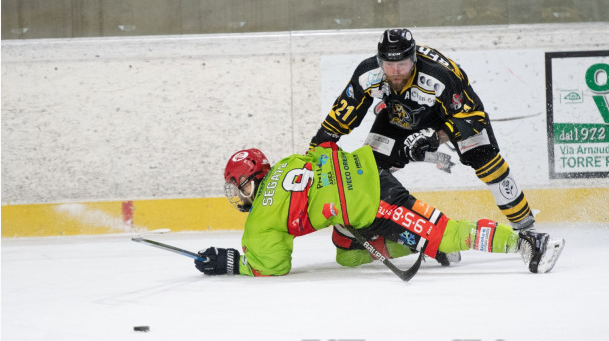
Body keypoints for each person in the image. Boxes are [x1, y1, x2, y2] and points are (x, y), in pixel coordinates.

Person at [194, 143, 564, 277]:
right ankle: (425, 244)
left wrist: (231, 262)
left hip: (377, 202)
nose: (238, 195)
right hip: (369, 173)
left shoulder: (260, 220)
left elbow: (272, 266)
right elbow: (326, 153)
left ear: (254, 180)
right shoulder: (288, 161)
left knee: (441, 231)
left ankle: (529, 244)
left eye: (239, 186)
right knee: (347, 254)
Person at [309, 28, 536, 238]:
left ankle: (525, 225)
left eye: (403, 65)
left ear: (414, 59)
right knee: (370, 169)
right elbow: (342, 114)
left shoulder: (440, 75)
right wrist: (316, 149)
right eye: (389, 65)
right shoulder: (367, 74)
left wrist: (437, 136)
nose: (396, 72)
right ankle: (381, 228)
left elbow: (473, 115)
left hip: (450, 118)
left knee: (484, 159)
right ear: (380, 62)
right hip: (400, 115)